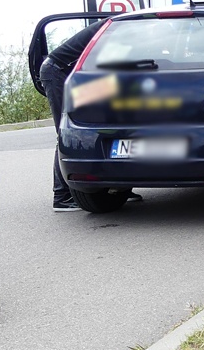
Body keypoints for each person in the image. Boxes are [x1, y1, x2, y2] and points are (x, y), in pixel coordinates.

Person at [39, 20, 142, 211]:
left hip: (80, 75)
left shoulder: (126, 28)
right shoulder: (118, 28)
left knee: (106, 126)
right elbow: (109, 64)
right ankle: (62, 196)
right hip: (59, 72)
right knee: (69, 130)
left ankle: (117, 188)